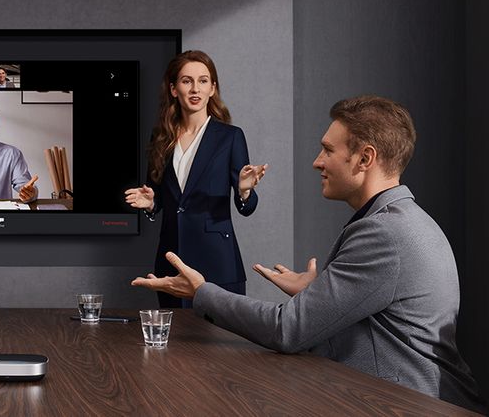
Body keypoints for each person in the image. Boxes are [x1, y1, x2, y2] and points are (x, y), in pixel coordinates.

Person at [132, 96, 485, 413]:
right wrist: (316, 293)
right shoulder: (403, 220)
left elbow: (287, 329)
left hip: (408, 405)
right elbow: (385, 318)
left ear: (365, 158)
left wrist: (201, 292)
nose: (317, 162)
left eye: (328, 150)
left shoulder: (384, 233)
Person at [123, 50, 267, 308]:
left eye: (203, 81)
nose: (195, 88)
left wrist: (244, 191)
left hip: (217, 262)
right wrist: (151, 204)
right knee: (175, 343)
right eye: (186, 81)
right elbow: (158, 198)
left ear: (213, 88)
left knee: (222, 346)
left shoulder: (230, 137)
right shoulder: (161, 137)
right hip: (171, 259)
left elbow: (247, 207)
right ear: (174, 89)